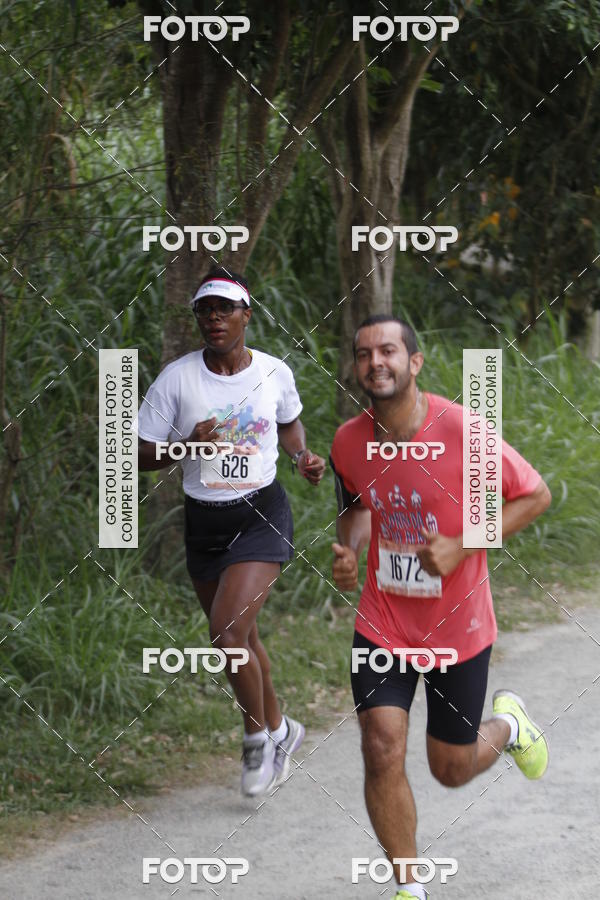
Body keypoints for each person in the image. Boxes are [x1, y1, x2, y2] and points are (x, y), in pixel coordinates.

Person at [329, 314, 551, 900]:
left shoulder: (463, 432)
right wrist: (349, 550)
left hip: (459, 626)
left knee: (449, 769)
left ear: (415, 362)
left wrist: (465, 544)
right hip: (384, 621)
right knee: (380, 745)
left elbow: (535, 495)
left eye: (389, 351)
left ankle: (510, 725)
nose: (376, 361)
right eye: (363, 353)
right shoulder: (349, 441)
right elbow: (355, 505)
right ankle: (408, 887)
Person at [137, 266, 325, 796]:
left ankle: (256, 740)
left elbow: (289, 422)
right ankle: (285, 728)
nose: (214, 317)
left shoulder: (272, 371)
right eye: (204, 309)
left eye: (225, 308)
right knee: (242, 639)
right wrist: (185, 445)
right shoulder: (177, 378)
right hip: (203, 522)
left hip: (260, 513)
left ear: (247, 314)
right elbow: (134, 454)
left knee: (225, 636)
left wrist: (301, 456)